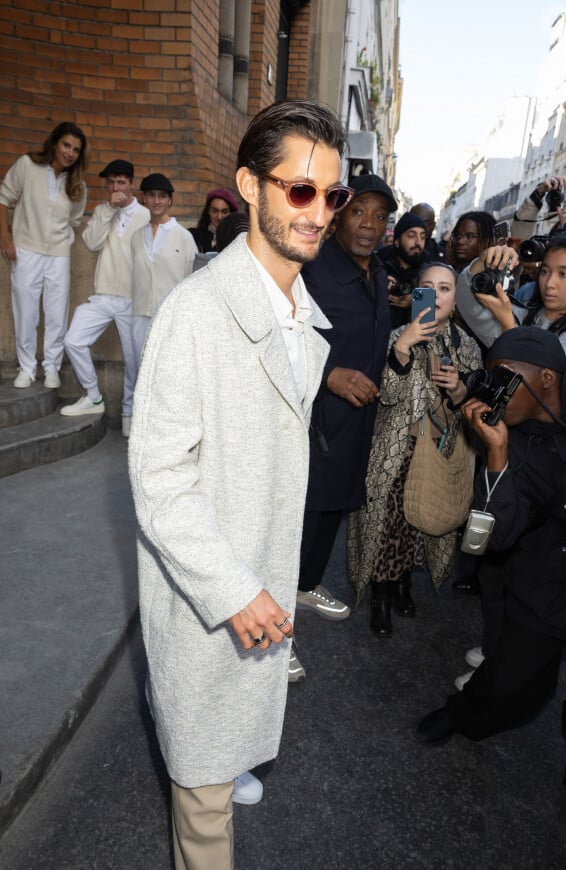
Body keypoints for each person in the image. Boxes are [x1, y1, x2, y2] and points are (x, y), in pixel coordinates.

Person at [128, 99, 351, 868]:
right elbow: (159, 479)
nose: (318, 212)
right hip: (211, 600)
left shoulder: (302, 315)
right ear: (248, 186)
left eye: (333, 195)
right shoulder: (194, 313)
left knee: (220, 773)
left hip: (259, 594)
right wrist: (233, 589)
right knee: (202, 808)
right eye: (299, 189)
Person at [417, 327, 566, 823]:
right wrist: (497, 455)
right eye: (488, 381)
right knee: (513, 684)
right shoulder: (510, 439)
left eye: (505, 380)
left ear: (547, 379)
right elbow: (490, 539)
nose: (493, 393)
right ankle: (462, 714)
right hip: (550, 576)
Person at [294, 173, 396, 678]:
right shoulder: (310, 267)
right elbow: (280, 335)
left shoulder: (377, 271)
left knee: (331, 511)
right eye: (359, 212)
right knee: (296, 519)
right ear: (337, 215)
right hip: (313, 416)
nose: (369, 225)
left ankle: (305, 584)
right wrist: (329, 374)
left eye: (380, 216)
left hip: (358, 420)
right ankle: (271, 633)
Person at [348, 262, 482, 637]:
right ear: (414, 295)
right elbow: (387, 395)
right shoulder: (393, 336)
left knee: (419, 525)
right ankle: (381, 595)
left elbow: (470, 409)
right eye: (427, 287)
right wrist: (403, 348)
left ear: (455, 300)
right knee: (386, 524)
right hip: (392, 448)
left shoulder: (466, 345)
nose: (436, 296)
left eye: (444, 288)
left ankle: (404, 583)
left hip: (437, 451)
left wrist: (456, 388)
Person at [60, 159, 149, 436]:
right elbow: (91, 242)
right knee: (73, 340)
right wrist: (109, 209)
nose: (116, 187)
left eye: (121, 182)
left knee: (135, 361)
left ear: (132, 184)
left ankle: (129, 412)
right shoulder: (102, 210)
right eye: (111, 182)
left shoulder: (146, 216)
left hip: (134, 299)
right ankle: (93, 397)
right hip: (104, 295)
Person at [0, 122, 88, 389]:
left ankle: (52, 367)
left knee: (56, 313)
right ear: (54, 143)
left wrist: (63, 244)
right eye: (66, 145)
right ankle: (27, 367)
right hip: (26, 249)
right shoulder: (28, 166)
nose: (70, 153)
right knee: (26, 311)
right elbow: (4, 198)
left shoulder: (79, 186)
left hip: (59, 255)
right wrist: (6, 237)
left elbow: (74, 220)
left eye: (75, 149)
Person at [455, 229, 566, 371]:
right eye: (545, 271)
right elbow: (466, 299)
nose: (550, 283)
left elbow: (536, 383)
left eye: (563, 274)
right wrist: (483, 260)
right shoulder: (522, 316)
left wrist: (509, 328)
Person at [130, 173, 197, 380]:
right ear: (144, 198)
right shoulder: (136, 236)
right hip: (140, 315)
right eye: (151, 195)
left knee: (168, 375)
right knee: (142, 374)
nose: (156, 201)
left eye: (162, 196)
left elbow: (192, 278)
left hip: (170, 318)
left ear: (170, 200)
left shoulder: (183, 237)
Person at [378, 212, 427, 328]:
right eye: (411, 236)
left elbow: (436, 306)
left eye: (423, 237)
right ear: (397, 241)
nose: (418, 242)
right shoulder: (377, 265)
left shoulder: (429, 270)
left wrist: (415, 301)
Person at [188, 187, 239, 253]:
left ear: (231, 213)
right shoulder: (194, 236)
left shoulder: (238, 239)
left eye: (224, 212)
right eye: (215, 211)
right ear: (208, 211)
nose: (219, 217)